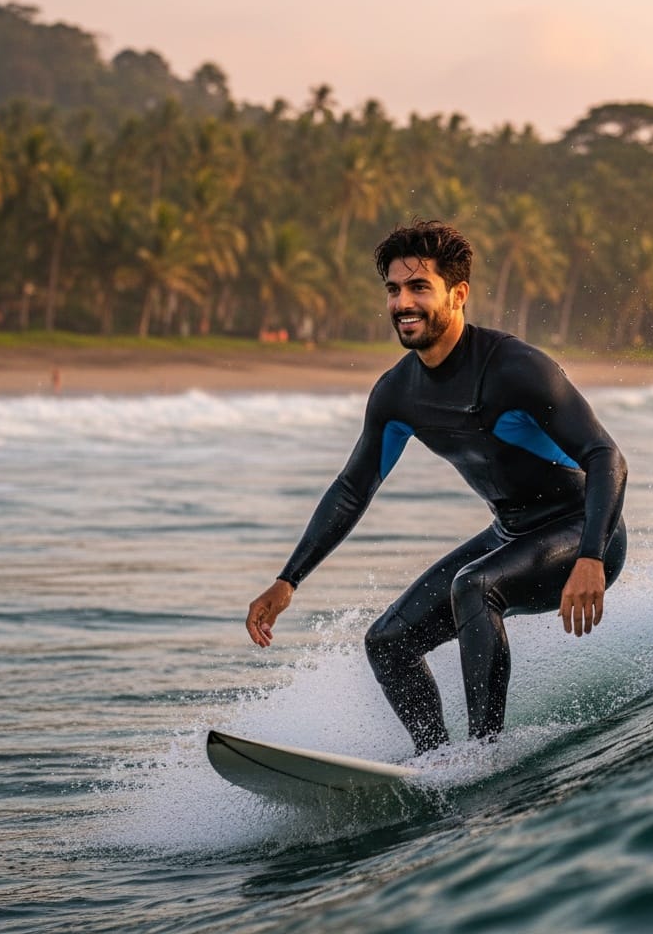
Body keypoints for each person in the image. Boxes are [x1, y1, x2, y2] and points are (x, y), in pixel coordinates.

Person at [246, 220, 627, 754]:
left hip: (588, 532)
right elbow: (353, 489)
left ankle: (482, 756)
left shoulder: (516, 369)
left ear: (459, 294)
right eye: (394, 289)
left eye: (419, 287)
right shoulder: (398, 393)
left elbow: (606, 456)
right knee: (387, 642)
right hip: (513, 534)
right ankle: (438, 761)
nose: (403, 302)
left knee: (474, 586)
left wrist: (590, 556)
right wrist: (289, 580)